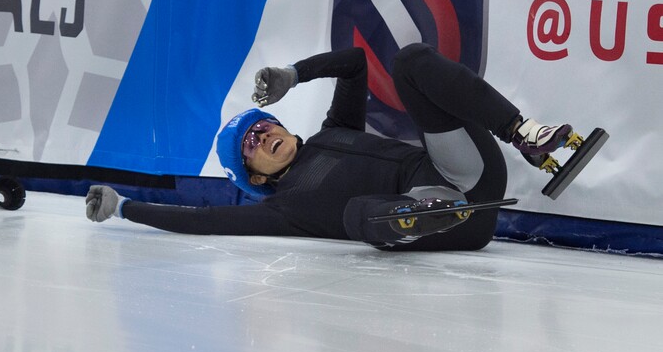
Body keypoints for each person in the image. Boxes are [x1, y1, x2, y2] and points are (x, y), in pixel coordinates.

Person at [85, 43, 573, 251]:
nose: (263, 134)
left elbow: (356, 62)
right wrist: (126, 207)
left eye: (262, 124)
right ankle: (425, 214)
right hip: (444, 226)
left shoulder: (333, 130)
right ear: (254, 176)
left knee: (409, 61)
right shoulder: (283, 210)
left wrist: (295, 75)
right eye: (251, 143)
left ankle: (525, 133)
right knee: (357, 214)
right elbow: (204, 222)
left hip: (465, 176)